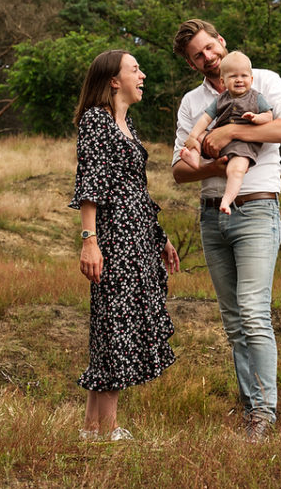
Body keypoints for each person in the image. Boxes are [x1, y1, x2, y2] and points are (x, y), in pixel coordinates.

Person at [171, 19, 281, 442]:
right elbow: (178, 169)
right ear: (193, 64)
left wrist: (230, 130)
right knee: (233, 321)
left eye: (210, 48)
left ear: (221, 42)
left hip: (258, 209)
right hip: (212, 216)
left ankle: (263, 415)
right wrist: (213, 162)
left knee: (252, 311)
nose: (207, 57)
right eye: (198, 55)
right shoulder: (193, 102)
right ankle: (252, 409)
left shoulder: (263, 80)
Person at [69, 49, 181, 442]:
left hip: (138, 238)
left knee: (111, 328)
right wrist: (89, 241)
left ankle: (90, 429)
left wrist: (160, 236)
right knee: (115, 326)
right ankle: (111, 430)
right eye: (135, 69)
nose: (143, 75)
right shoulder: (96, 121)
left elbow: (137, 190)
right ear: (114, 81)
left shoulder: (126, 125)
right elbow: (90, 184)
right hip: (113, 238)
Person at [179, 50, 273, 215]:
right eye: (233, 76)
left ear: (251, 79)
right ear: (223, 81)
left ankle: (226, 200)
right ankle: (194, 160)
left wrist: (257, 118)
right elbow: (205, 119)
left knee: (236, 170)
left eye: (244, 76)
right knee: (201, 134)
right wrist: (193, 137)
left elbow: (269, 116)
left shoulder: (257, 98)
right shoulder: (220, 99)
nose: (239, 80)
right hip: (217, 140)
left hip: (242, 147)